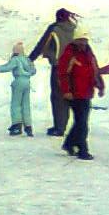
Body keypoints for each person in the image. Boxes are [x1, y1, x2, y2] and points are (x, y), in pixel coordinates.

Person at [28, 8, 78, 137]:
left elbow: (42, 44)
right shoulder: (74, 29)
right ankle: (67, 125)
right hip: (74, 67)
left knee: (58, 96)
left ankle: (59, 127)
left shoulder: (54, 29)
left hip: (59, 66)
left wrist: (30, 59)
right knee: (68, 95)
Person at [57, 26, 104, 160]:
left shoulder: (89, 54)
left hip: (86, 93)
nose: (83, 43)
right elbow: (63, 74)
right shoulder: (69, 54)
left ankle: (69, 144)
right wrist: (66, 91)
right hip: (74, 94)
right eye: (81, 40)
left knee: (80, 121)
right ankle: (83, 149)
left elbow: (94, 70)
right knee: (82, 123)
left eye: (85, 40)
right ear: (75, 40)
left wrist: (100, 85)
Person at [0, 41, 37, 136]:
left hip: (18, 82)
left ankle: (17, 125)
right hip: (27, 82)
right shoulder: (27, 60)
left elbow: (7, 67)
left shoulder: (16, 59)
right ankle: (28, 127)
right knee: (26, 105)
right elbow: (33, 71)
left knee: (16, 104)